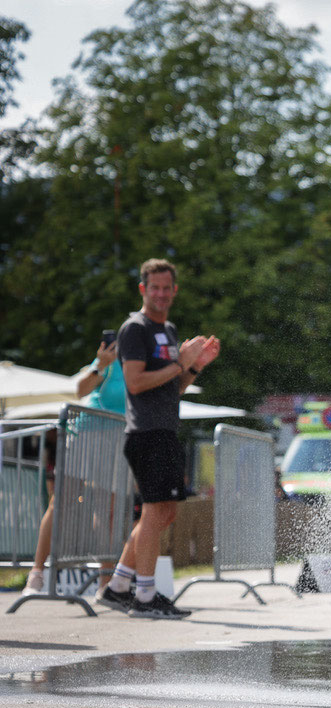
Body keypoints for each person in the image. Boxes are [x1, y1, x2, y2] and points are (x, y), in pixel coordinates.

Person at [96, 259, 221, 619]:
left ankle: (119, 587)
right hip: (146, 433)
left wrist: (195, 367)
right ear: (143, 289)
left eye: (167, 288)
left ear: (174, 290)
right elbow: (135, 383)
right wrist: (181, 362)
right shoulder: (134, 329)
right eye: (155, 288)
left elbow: (172, 388)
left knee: (163, 513)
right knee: (154, 513)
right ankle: (146, 597)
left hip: (164, 430)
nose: (162, 294)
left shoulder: (167, 329)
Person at [23, 337, 127, 596]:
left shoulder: (145, 366)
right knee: (60, 503)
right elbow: (80, 390)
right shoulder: (112, 362)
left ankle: (106, 584)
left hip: (114, 442)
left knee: (106, 511)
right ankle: (36, 572)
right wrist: (100, 365)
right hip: (85, 436)